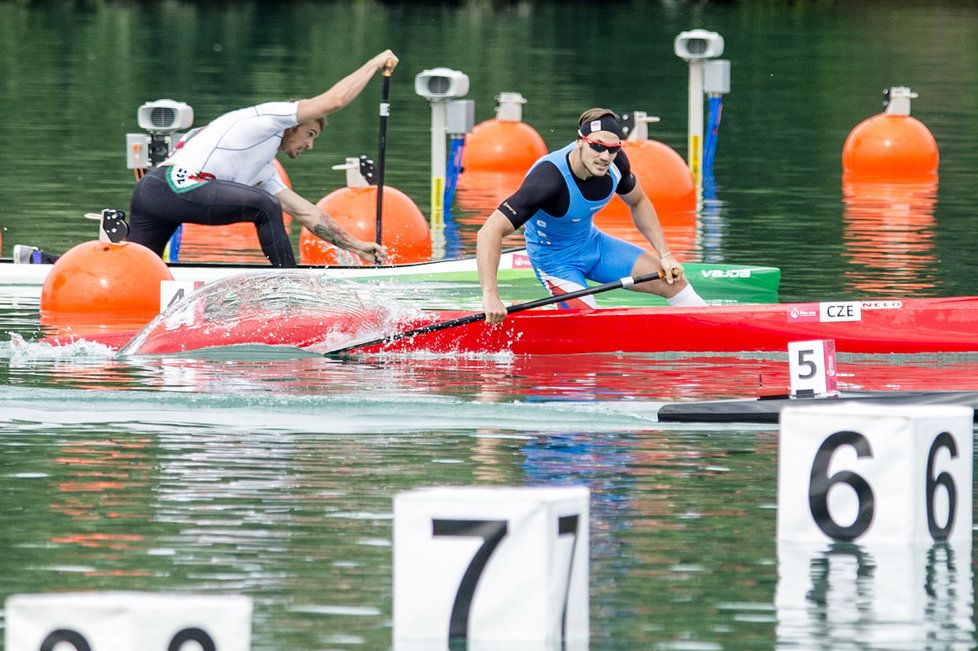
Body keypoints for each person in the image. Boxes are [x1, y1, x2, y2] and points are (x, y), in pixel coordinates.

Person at [14, 50, 398, 267]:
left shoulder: (263, 167)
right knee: (264, 207)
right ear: (295, 123)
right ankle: (289, 285)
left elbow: (309, 216)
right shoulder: (268, 117)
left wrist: (358, 246)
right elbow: (334, 101)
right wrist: (374, 62)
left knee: (135, 265)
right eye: (310, 134)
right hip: (171, 188)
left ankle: (39, 262)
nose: (310, 145)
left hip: (156, 193)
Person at [476, 108, 707, 324]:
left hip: (594, 246)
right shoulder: (547, 180)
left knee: (673, 281)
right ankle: (543, 317)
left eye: (613, 148)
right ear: (579, 142)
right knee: (586, 320)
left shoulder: (617, 164)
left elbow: (638, 201)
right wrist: (491, 295)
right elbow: (489, 232)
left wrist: (665, 254)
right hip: (555, 262)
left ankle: (710, 327)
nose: (605, 156)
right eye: (597, 146)